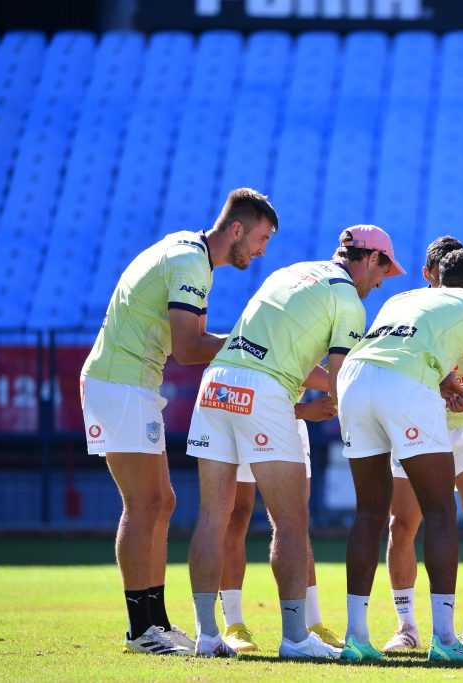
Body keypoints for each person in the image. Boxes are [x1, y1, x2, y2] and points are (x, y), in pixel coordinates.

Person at [185, 225, 403, 659]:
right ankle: (295, 638)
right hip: (264, 392)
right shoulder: (348, 302)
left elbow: (281, 356)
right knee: (290, 521)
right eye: (384, 271)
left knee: (212, 516)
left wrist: (313, 404)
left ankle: (207, 636)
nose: (381, 283)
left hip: (216, 384)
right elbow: (342, 384)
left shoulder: (290, 272)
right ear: (370, 259)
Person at [80, 188, 277, 655]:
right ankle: (141, 630)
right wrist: (254, 346)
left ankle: (157, 623)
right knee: (144, 503)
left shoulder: (192, 255)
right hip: (120, 384)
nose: (261, 251)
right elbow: (188, 349)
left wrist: (241, 345)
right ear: (236, 229)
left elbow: (195, 340)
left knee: (161, 502)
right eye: (261, 238)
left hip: (133, 384)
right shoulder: (190, 261)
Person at [337, 248, 463, 663]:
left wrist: (445, 382)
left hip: (354, 379)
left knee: (369, 512)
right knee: (439, 511)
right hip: (406, 388)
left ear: (436, 279)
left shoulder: (404, 298)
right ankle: (445, 641)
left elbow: (403, 349)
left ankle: (356, 639)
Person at [383, 237, 463, 654]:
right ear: (429, 276)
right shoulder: (411, 309)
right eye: (440, 277)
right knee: (401, 526)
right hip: (420, 428)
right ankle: (406, 626)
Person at [217, 403, 344, 652]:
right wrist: (305, 408)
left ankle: (313, 624)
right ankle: (233, 625)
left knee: (296, 520)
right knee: (237, 515)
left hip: (288, 426)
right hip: (243, 415)